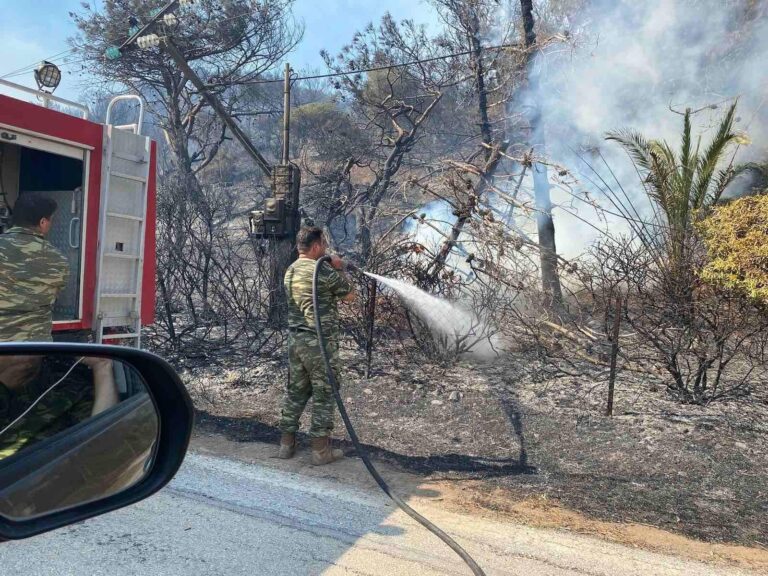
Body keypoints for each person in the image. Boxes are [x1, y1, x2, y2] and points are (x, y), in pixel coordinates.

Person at [278, 226, 355, 465]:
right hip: (319, 343)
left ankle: (286, 445)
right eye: (323, 243)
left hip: (296, 341)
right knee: (325, 393)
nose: (326, 248)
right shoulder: (320, 270)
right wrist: (339, 268)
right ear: (315, 247)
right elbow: (349, 294)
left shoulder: (290, 270)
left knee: (297, 391)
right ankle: (321, 451)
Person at [0, 355, 119, 460]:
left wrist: (102, 367)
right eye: (15, 349)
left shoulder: (70, 389)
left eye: (32, 343)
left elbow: (102, 444)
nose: (26, 358)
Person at [0, 194, 69, 342]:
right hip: (33, 349)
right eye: (51, 220)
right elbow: (53, 296)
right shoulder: (58, 261)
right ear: (43, 222)